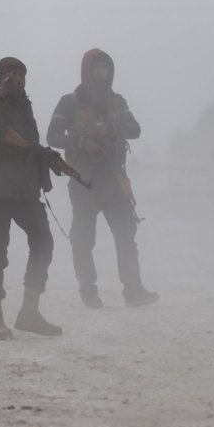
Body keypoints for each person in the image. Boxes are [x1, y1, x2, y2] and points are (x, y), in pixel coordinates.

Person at [47, 48, 159, 309]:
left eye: (105, 67)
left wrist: (111, 127)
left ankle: (133, 290)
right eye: (96, 67)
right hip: (83, 180)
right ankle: (88, 291)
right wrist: (80, 140)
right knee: (83, 238)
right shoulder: (70, 102)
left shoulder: (117, 102)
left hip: (112, 178)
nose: (101, 72)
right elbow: (52, 136)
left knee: (125, 234)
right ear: (87, 69)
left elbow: (135, 129)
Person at [0, 56, 62, 340]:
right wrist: (39, 150)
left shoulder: (25, 108)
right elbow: (7, 136)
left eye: (19, 73)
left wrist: (47, 159)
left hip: (24, 191)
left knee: (43, 242)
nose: (14, 77)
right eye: (8, 73)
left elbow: (29, 146)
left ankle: (29, 312)